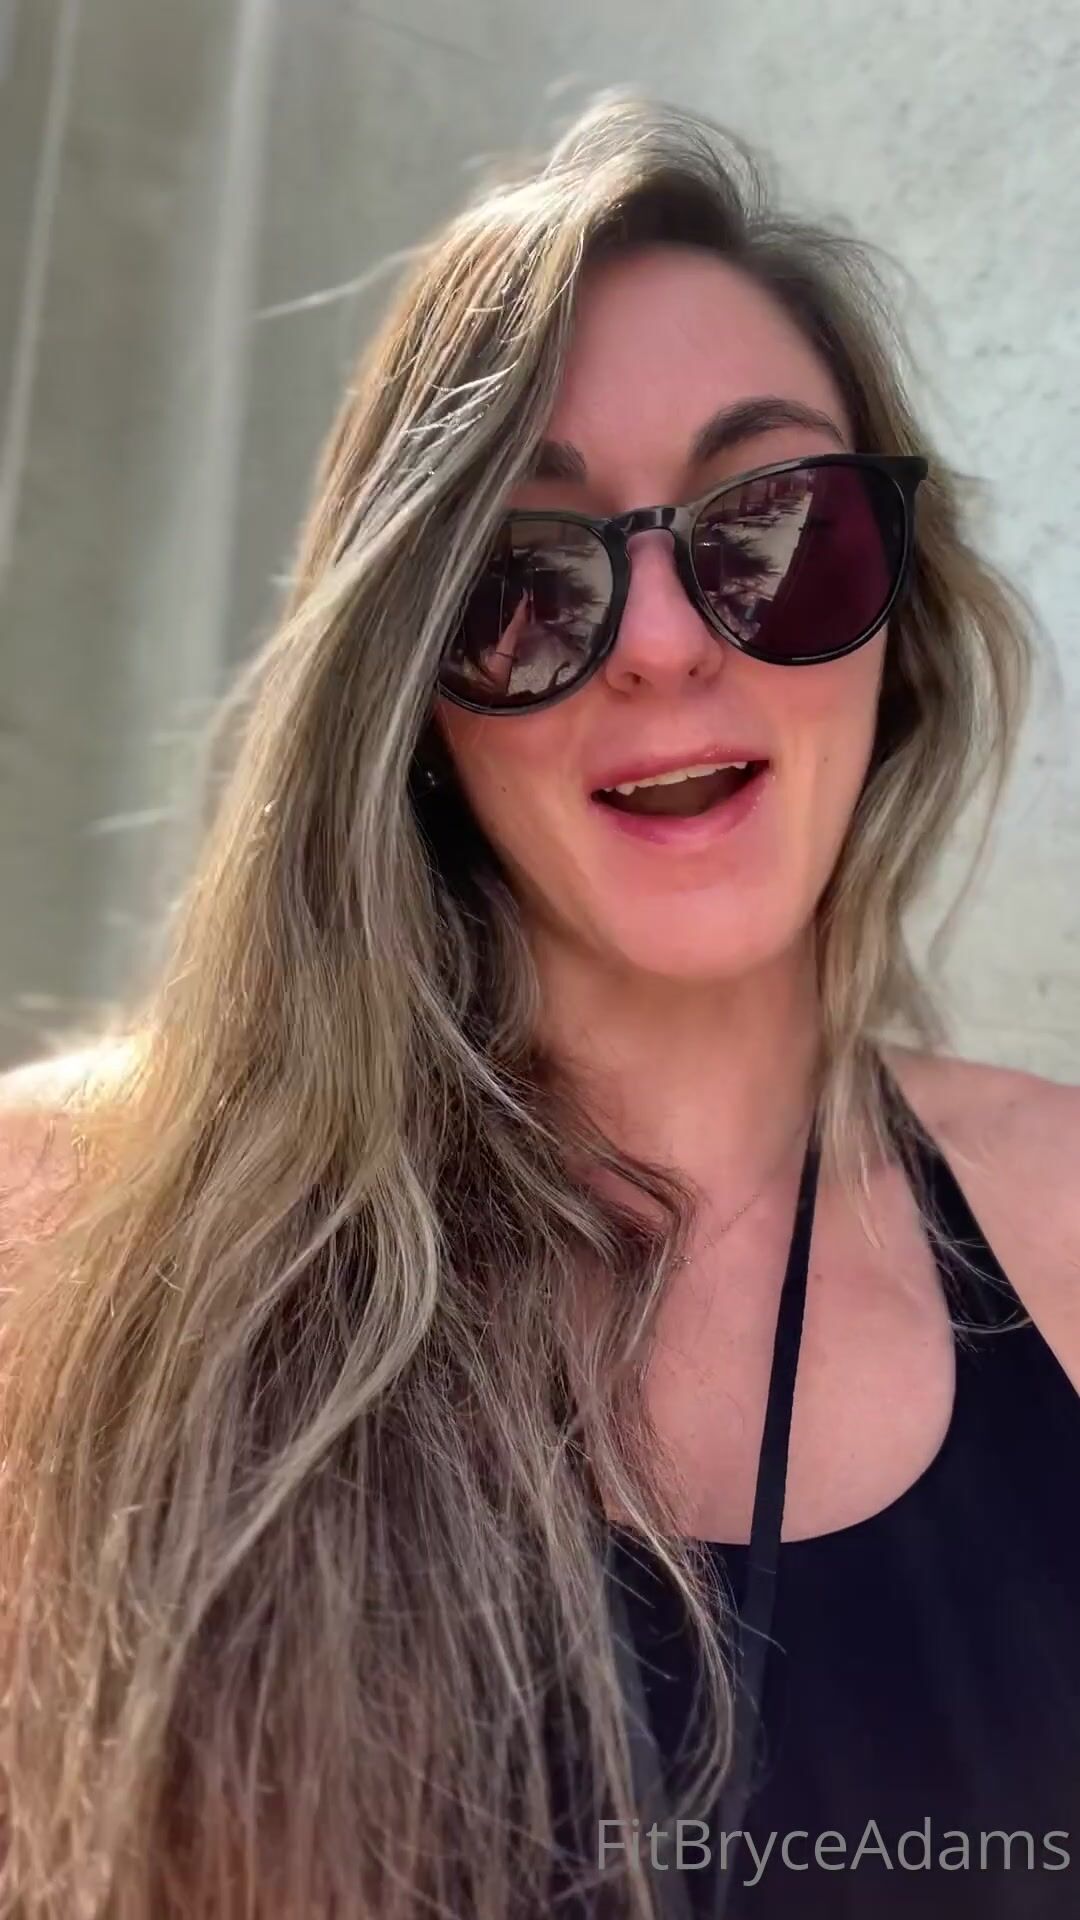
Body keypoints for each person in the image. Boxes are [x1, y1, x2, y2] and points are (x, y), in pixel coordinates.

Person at [1, 94, 1078, 1920]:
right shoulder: (59, 1234)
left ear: (898, 616)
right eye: (523, 578)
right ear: (411, 695)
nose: (663, 642)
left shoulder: (1066, 1221)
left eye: (778, 531)